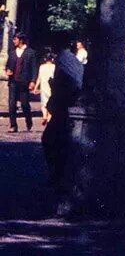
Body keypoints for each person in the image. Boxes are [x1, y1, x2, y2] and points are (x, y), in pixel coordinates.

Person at [42, 49, 84, 190]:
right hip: (64, 106)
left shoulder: (64, 60)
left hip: (64, 107)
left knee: (52, 140)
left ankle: (58, 175)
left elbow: (69, 84)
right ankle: (57, 173)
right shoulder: (69, 60)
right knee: (56, 142)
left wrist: (54, 86)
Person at [6, 33, 38, 133]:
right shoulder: (12, 52)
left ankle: (29, 121)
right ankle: (13, 125)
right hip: (13, 82)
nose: (13, 41)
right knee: (12, 104)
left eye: (15, 39)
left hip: (24, 82)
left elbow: (33, 68)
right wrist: (7, 70)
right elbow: (8, 65)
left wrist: (33, 81)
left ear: (21, 40)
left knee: (24, 104)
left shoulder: (30, 52)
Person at [35, 50, 56, 126]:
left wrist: (35, 87)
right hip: (51, 87)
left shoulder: (42, 67)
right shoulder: (54, 67)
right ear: (53, 59)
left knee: (44, 103)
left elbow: (39, 78)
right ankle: (49, 118)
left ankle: (44, 116)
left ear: (44, 59)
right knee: (51, 103)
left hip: (43, 87)